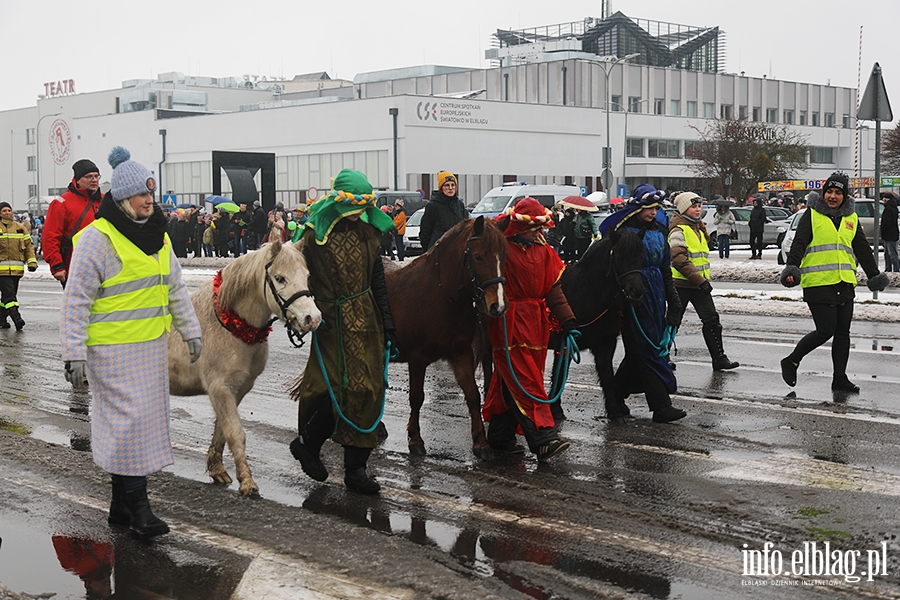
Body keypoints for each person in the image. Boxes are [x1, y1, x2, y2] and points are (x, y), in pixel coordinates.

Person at [60, 146, 202, 539]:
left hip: (150, 347)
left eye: (151, 196)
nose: (148, 202)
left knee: (136, 425)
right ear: (122, 197)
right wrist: (74, 354)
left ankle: (120, 506)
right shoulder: (96, 238)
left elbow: (174, 289)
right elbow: (76, 301)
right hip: (110, 352)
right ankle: (139, 508)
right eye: (142, 195)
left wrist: (190, 330)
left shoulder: (158, 235)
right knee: (131, 423)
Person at [289, 168, 397, 494]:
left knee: (369, 390)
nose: (359, 216)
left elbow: (377, 279)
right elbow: (293, 276)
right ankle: (308, 443)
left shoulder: (369, 232)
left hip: (367, 318)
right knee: (339, 389)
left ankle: (356, 470)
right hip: (330, 320)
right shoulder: (313, 235)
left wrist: (389, 323)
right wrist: (304, 315)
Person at [482, 198, 577, 460]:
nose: (538, 232)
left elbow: (552, 289)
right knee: (525, 380)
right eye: (533, 227)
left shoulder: (545, 251)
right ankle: (543, 437)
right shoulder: (500, 250)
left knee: (511, 379)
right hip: (506, 321)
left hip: (536, 324)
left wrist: (568, 321)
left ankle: (500, 436)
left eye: (540, 227)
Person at [780, 172, 889, 393]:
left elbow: (862, 249)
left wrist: (874, 275)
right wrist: (791, 268)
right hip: (818, 283)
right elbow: (799, 243)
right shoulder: (811, 214)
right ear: (823, 193)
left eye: (838, 192)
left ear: (844, 195)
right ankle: (791, 360)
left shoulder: (851, 217)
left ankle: (840, 378)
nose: (832, 196)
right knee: (825, 330)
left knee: (843, 333)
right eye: (829, 191)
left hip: (844, 282)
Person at [598, 184, 687, 424]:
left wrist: (674, 304)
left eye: (656, 207)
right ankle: (661, 406)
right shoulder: (625, 233)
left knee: (646, 350)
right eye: (648, 208)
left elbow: (665, 270)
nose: (653, 212)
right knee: (647, 350)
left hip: (656, 297)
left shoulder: (659, 232)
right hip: (634, 298)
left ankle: (616, 393)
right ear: (637, 208)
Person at [668, 192, 739, 371]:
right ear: (684, 209)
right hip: (681, 284)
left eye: (699, 206)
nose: (698, 210)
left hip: (698, 284)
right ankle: (662, 357)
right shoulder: (678, 230)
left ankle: (719, 358)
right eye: (694, 207)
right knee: (673, 321)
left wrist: (701, 280)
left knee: (712, 320)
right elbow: (678, 259)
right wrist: (700, 280)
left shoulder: (697, 227)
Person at [42, 159, 103, 288]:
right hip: (75, 268)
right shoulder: (61, 204)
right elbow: (50, 237)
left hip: (105, 267)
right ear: (78, 179)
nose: (94, 180)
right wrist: (57, 265)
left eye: (96, 176)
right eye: (89, 176)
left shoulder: (105, 201)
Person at [0, 201, 38, 330]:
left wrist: (32, 262)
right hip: (1, 271)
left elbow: (29, 247)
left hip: (17, 270)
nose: (7, 213)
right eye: (4, 211)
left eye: (9, 210)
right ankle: (17, 318)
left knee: (7, 295)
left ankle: (2, 318)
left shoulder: (20, 228)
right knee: (10, 295)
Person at [420, 171, 467, 250]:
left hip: (458, 250)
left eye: (453, 185)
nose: (450, 188)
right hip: (439, 251)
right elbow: (425, 231)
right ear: (441, 187)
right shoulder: (433, 205)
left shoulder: (459, 205)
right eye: (447, 185)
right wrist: (429, 250)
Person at [880, 192, 899, 272]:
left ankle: (896, 269)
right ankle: (889, 269)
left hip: (890, 234)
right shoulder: (893, 207)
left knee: (891, 253)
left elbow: (886, 222)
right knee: (887, 253)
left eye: (884, 199)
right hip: (892, 233)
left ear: (887, 199)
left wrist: (883, 231)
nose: (883, 200)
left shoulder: (888, 209)